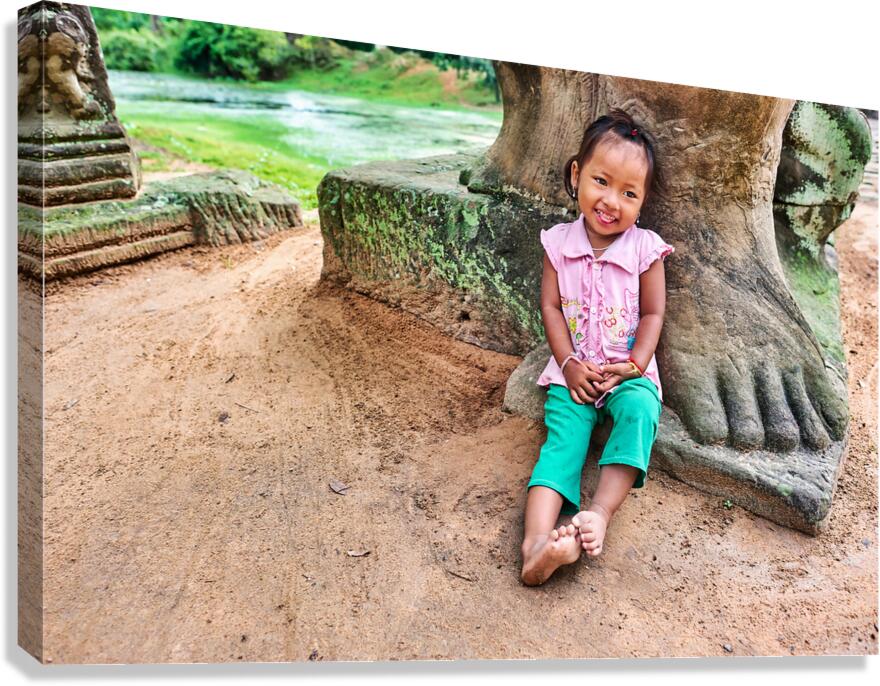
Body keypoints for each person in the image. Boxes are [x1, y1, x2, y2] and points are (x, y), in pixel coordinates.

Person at [521, 110, 674, 586]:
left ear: (643, 201)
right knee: (563, 439)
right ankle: (536, 546)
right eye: (601, 182)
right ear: (576, 175)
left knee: (639, 415)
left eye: (629, 193)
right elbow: (550, 307)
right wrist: (566, 364)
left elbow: (653, 314)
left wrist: (636, 365)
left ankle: (600, 513)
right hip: (575, 372)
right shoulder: (558, 244)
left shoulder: (645, 250)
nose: (611, 201)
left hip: (627, 373)